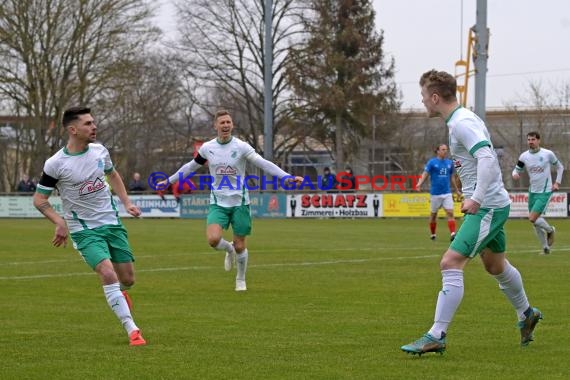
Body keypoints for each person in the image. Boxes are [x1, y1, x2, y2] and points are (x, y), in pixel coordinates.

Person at [401, 70, 542, 356]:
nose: (423, 101)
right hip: (493, 202)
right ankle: (526, 313)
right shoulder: (462, 119)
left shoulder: (462, 123)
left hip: (487, 205)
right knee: (495, 266)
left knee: (450, 262)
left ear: (436, 97)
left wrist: (476, 198)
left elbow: (488, 159)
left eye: (424, 96)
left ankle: (436, 335)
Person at [33, 106, 146, 346]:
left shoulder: (99, 151)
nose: (94, 127)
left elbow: (113, 174)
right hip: (84, 230)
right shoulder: (55, 164)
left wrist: (126, 202)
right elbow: (39, 199)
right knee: (107, 273)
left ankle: (121, 295)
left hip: (112, 224)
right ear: (73, 130)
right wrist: (59, 221)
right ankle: (132, 329)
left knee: (128, 279)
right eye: (88, 124)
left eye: (93, 122)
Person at [163, 110, 303, 291]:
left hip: (240, 202)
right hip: (218, 202)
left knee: (240, 245)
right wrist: (168, 181)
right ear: (215, 126)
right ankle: (227, 249)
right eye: (222, 122)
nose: (226, 125)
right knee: (213, 240)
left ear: (232, 125)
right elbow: (190, 167)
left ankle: (240, 278)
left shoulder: (241, 147)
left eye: (228, 122)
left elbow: (263, 163)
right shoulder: (207, 148)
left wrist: (286, 177)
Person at [512, 132, 563, 255]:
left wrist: (557, 183)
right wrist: (514, 174)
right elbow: (517, 169)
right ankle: (545, 247)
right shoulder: (524, 156)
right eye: (528, 139)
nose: (530, 142)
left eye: (533, 139)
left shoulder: (547, 154)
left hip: (545, 191)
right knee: (535, 223)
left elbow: (560, 167)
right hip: (532, 191)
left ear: (538, 140)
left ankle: (550, 230)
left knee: (532, 218)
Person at [415, 144, 459, 241]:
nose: (445, 151)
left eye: (446, 149)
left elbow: (452, 177)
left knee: (450, 213)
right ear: (438, 151)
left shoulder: (449, 163)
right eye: (443, 149)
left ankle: (453, 234)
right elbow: (425, 173)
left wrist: (456, 189)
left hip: (447, 192)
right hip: (435, 193)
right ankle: (433, 234)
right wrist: (419, 184)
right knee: (433, 215)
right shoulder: (432, 162)